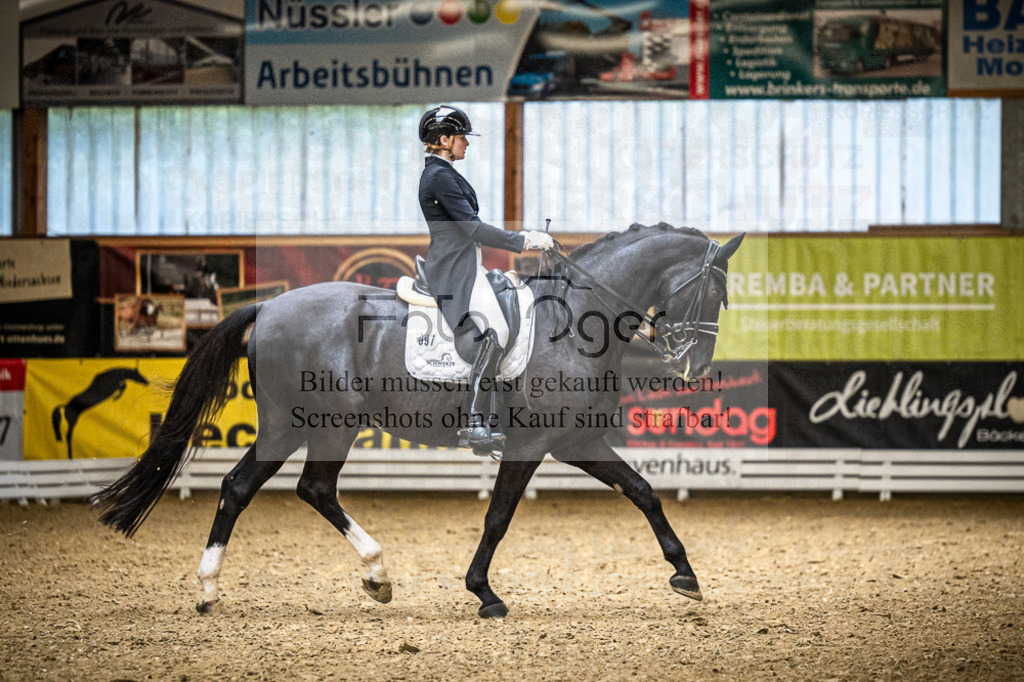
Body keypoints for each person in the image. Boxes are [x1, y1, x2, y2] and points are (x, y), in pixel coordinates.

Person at [418, 105, 553, 456]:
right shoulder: (439, 176)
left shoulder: (443, 173)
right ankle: (476, 421)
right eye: (461, 137)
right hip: (453, 269)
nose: (466, 143)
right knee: (494, 331)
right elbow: (473, 229)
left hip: (464, 263)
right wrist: (524, 239)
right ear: (443, 140)